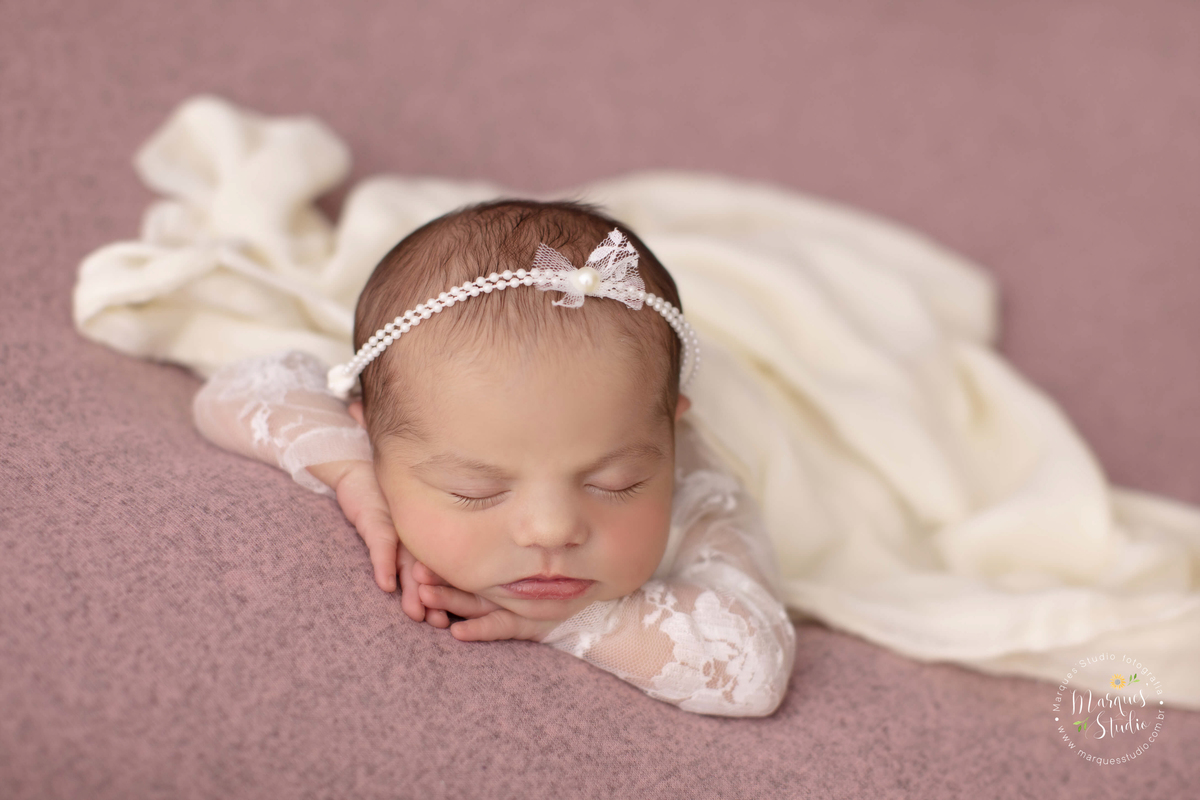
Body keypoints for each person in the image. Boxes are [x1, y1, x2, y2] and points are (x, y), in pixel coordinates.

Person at [192, 198, 797, 718]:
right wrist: (352, 472)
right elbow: (234, 390)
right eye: (474, 489)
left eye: (618, 482)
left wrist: (570, 622)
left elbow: (755, 667)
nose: (553, 529)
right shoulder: (408, 426)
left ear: (669, 434)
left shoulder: (696, 484)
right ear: (371, 433)